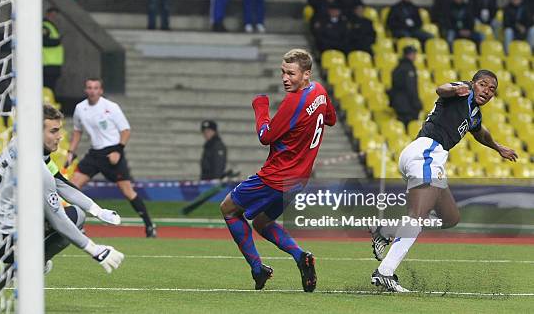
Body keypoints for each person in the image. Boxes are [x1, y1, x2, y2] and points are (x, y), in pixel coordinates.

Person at [369, 70, 518, 292]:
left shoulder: (474, 114)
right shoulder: (463, 91)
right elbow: (442, 89)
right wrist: (455, 89)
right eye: (483, 84)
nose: (486, 91)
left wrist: (498, 147)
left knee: (450, 217)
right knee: (417, 218)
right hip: (426, 152)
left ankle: (385, 231)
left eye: (492, 89)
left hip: (429, 158)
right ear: (473, 83)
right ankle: (385, 272)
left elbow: (479, 133)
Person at [0, 105, 125, 304]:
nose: (60, 136)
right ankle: (34, 266)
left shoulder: (19, 144)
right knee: (74, 219)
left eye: (59, 129)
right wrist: (95, 250)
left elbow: (59, 181)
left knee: (74, 214)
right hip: (2, 242)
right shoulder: (36, 169)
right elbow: (59, 219)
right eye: (53, 131)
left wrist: (97, 210)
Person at [220, 49, 337, 292]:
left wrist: (260, 107)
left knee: (229, 209)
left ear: (306, 74)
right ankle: (300, 256)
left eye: (291, 74)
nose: (285, 78)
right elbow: (331, 119)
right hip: (298, 179)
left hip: (275, 176)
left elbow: (266, 136)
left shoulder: (294, 101)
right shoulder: (319, 91)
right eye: (283, 72)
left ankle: (257, 269)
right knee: (262, 222)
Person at [66, 78, 157, 238]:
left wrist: (118, 151)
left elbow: (126, 130)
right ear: (85, 90)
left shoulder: (111, 107)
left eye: (96, 88)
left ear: (101, 90)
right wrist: (70, 152)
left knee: (128, 192)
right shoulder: (80, 108)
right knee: (72, 187)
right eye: (89, 87)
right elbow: (77, 131)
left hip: (112, 152)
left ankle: (149, 225)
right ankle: (79, 225)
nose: (92, 90)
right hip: (95, 153)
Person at [389, 46, 422, 128]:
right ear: (410, 55)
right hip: (408, 105)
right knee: (411, 128)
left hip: (399, 104)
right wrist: (417, 104)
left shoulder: (397, 68)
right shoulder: (409, 68)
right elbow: (411, 88)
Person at [42, 7, 64, 92]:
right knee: (48, 88)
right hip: (48, 63)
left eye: (55, 15)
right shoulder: (45, 26)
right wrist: (57, 41)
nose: (54, 17)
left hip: (54, 64)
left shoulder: (51, 26)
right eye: (52, 15)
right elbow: (44, 41)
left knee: (51, 87)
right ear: (47, 14)